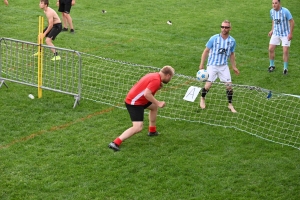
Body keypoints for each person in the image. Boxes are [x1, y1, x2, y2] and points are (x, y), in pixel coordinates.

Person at [108, 66, 175, 151]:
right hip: (134, 102)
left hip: (139, 100)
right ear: (168, 75)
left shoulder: (153, 75)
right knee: (138, 127)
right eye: (171, 77)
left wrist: (157, 89)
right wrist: (158, 102)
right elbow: (147, 94)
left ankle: (152, 131)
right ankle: (115, 143)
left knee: (153, 107)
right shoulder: (156, 80)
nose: (170, 79)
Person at [199, 20, 240, 113]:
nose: (224, 29)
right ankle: (202, 98)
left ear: (230, 28)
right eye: (222, 27)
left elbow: (232, 54)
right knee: (208, 85)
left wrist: (234, 67)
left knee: (229, 86)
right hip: (212, 65)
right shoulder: (214, 38)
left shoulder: (232, 41)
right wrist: (201, 64)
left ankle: (230, 104)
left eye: (226, 27)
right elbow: (206, 51)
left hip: (223, 66)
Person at [268, 0, 294, 75]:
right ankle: (271, 65)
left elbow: (292, 22)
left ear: (279, 3)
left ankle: (285, 68)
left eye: (276, 3)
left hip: (285, 34)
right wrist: (272, 30)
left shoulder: (285, 11)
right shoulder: (271, 11)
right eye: (273, 3)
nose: (274, 5)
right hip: (276, 33)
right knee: (271, 49)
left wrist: (290, 33)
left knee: (285, 51)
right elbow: (273, 21)